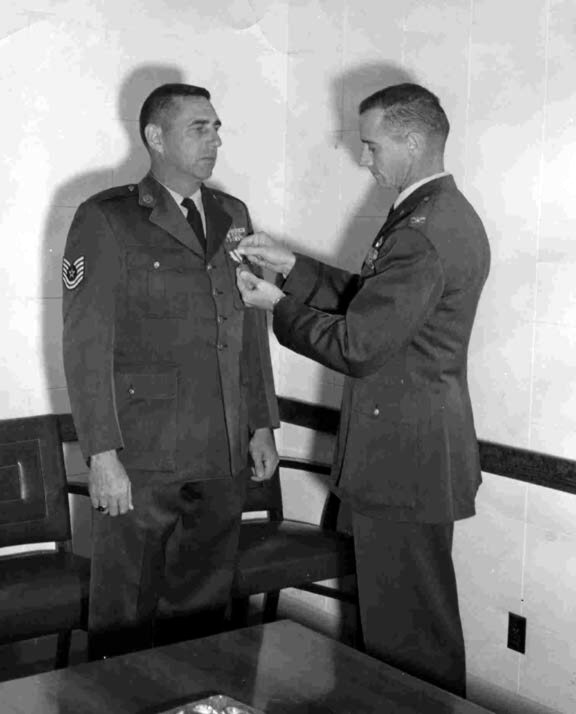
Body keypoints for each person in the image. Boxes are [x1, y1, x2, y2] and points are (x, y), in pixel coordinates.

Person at [235, 83, 490, 697]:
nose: (364, 159)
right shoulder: (434, 216)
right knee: (404, 625)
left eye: (372, 146)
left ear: (412, 141)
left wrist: (277, 307)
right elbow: (372, 305)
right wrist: (292, 267)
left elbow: (357, 344)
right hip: (415, 453)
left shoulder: (423, 230)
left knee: (408, 638)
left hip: (404, 460)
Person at [62, 83, 279, 659]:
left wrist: (261, 423)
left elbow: (247, 327)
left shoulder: (233, 215)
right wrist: (102, 455)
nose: (215, 139)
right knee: (126, 611)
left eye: (216, 127)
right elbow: (86, 347)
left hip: (222, 446)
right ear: (156, 138)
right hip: (143, 452)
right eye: (199, 128)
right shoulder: (106, 218)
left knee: (205, 607)